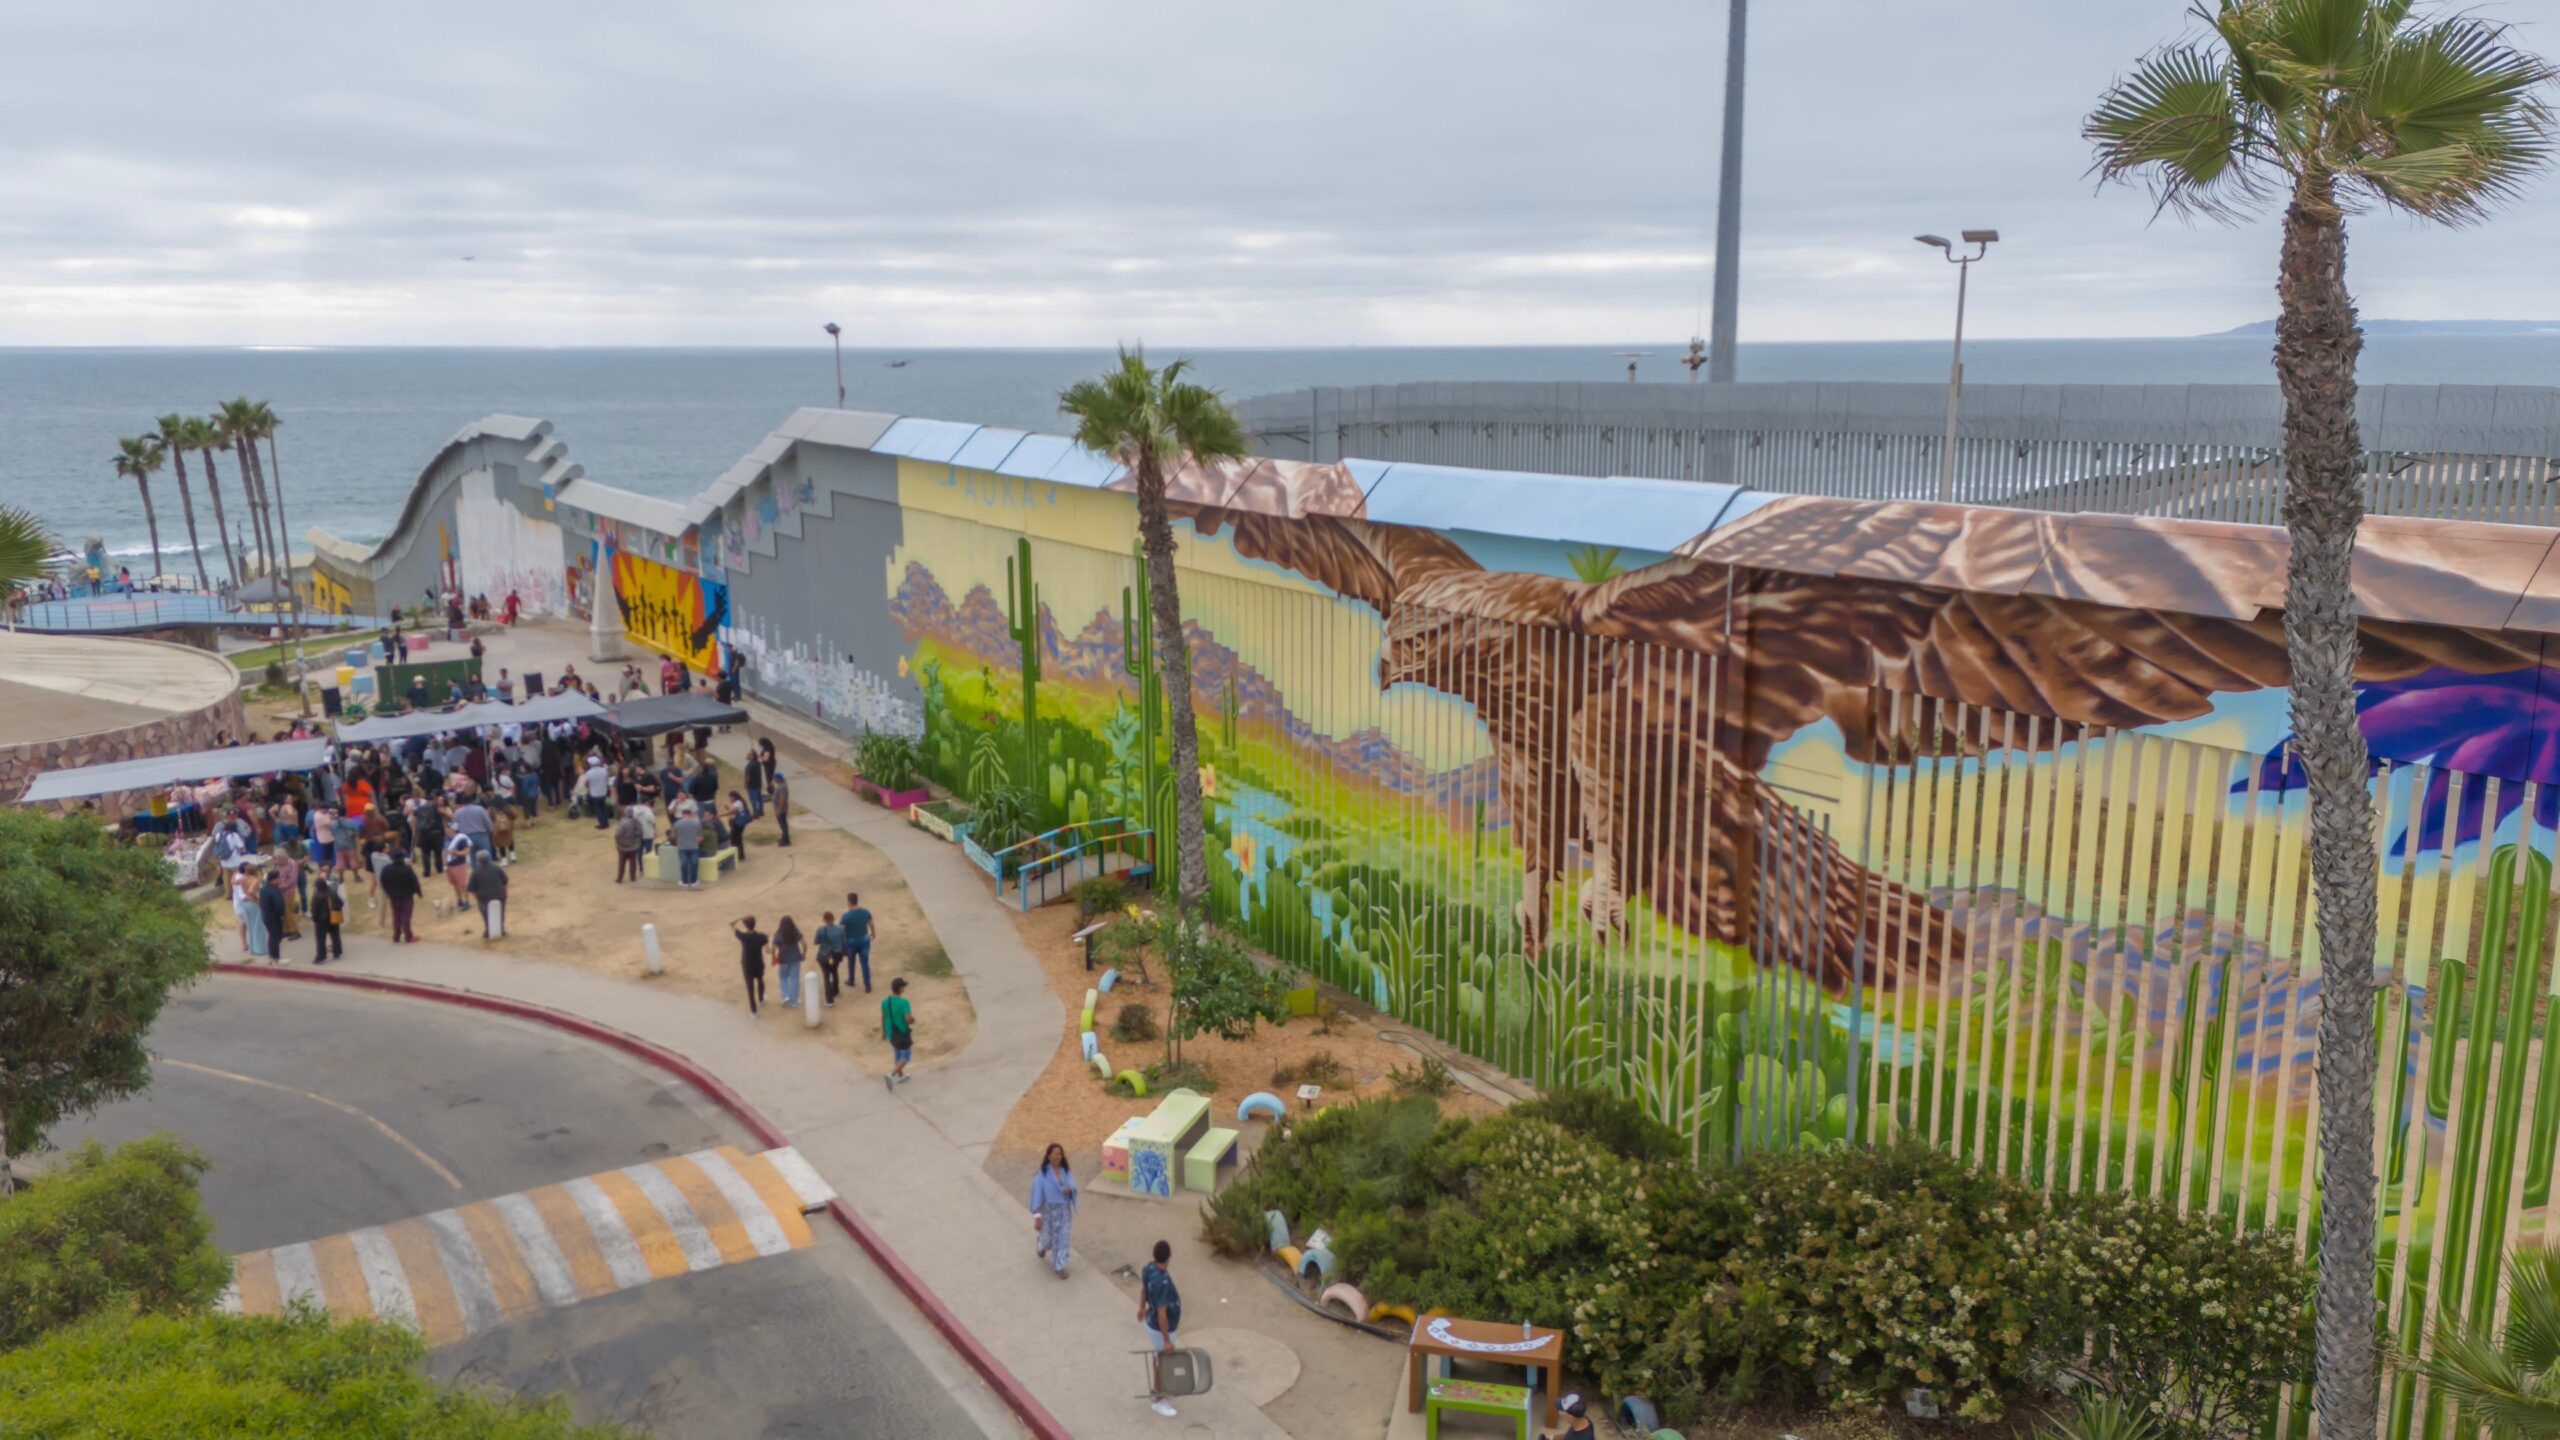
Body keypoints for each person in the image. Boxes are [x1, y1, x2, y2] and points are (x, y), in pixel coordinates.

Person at [1138, 1239, 1183, 1418]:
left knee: (1160, 1360)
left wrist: (1142, 1307)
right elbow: (1162, 1313)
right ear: (1169, 1256)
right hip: (1162, 1328)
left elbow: (1143, 1289)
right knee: (1163, 1361)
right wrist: (1166, 1340)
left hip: (1152, 1322)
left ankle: (1159, 1389)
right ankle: (1159, 1399)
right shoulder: (1163, 1281)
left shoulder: (1148, 1268)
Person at [1029, 1142, 1078, 1279]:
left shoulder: (1065, 1172)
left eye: (1060, 1154)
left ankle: (1059, 1265)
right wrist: (1038, 1218)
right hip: (1048, 1212)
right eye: (1055, 1154)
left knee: (1063, 1238)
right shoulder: (1042, 1176)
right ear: (1049, 1156)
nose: (1058, 1156)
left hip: (1063, 1211)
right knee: (1048, 1238)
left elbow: (1072, 1185)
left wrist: (1070, 1190)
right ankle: (1041, 1245)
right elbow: (1037, 1196)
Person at [380, 846, 422, 942]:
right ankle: (408, 935)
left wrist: (388, 892)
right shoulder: (407, 869)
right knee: (406, 916)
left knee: (396, 916)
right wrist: (418, 892)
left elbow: (383, 882)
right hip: (407, 896)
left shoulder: (386, 869)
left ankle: (396, 935)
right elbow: (414, 881)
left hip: (394, 897)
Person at [881, 976, 914, 1088]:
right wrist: (912, 1019)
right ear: (900, 989)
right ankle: (892, 1074)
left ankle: (900, 1075)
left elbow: (883, 1017)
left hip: (891, 1032)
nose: (904, 988)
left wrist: (883, 1032)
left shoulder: (885, 1001)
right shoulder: (904, 1003)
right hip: (902, 1033)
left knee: (897, 1053)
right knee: (906, 1056)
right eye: (903, 986)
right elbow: (907, 1018)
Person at [732, 916, 769, 1014]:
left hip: (747, 965)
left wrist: (740, 918)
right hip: (758, 963)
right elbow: (768, 949)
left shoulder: (743, 937)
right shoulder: (761, 936)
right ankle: (761, 999)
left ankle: (753, 1012)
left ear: (745, 926)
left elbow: (732, 925)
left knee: (750, 987)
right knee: (760, 980)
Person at [468, 852, 509, 939]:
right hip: (499, 896)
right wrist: (505, 893)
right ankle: (501, 929)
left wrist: (478, 898)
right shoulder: (497, 868)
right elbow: (505, 882)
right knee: (500, 912)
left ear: (478, 861)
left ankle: (488, 930)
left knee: (486, 914)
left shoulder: (475, 873)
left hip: (484, 899)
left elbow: (472, 890)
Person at [309, 868, 345, 963]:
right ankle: (337, 952)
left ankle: (321, 957)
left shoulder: (317, 896)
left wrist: (314, 919)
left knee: (321, 938)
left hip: (322, 920)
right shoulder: (332, 892)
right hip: (334, 916)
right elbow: (341, 903)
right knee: (335, 935)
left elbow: (314, 910)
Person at [843, 892, 875, 993]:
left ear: (849, 902)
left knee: (851, 962)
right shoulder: (865, 912)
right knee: (865, 963)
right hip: (864, 940)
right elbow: (871, 924)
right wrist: (873, 933)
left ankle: (851, 980)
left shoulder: (846, 916)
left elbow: (841, 930)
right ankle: (867, 985)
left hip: (851, 942)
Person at [773, 916, 805, 1009]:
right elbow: (804, 943)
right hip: (795, 958)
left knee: (783, 978)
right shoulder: (795, 932)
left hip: (783, 959)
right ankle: (794, 1002)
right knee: (794, 979)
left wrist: (774, 957)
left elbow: (773, 948)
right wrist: (804, 953)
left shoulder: (778, 934)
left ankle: (785, 996)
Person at [256, 867, 288, 963]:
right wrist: (282, 914)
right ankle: (276, 957)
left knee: (272, 936)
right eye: (279, 878)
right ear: (274, 880)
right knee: (276, 937)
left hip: (266, 916)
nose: (281, 880)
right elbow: (278, 905)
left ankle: (272, 955)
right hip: (274, 918)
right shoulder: (274, 891)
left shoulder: (264, 889)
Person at [813, 911, 844, 1007]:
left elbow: (816, 942)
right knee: (835, 971)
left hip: (825, 955)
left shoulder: (820, 930)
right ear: (833, 918)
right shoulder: (841, 929)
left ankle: (829, 1000)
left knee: (826, 976)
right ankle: (836, 990)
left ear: (824, 920)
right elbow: (844, 941)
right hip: (837, 954)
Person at [672, 805, 704, 888]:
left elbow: (673, 836)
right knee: (694, 863)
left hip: (682, 847)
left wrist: (677, 842)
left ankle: (684, 881)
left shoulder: (676, 824)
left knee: (683, 864)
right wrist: (695, 842)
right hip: (694, 846)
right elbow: (700, 837)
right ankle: (694, 881)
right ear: (690, 814)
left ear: (682, 815)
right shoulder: (696, 823)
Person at [442, 830, 474, 912]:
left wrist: (456, 853)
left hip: (459, 864)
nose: (446, 830)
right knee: (455, 884)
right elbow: (444, 851)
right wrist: (445, 864)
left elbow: (467, 851)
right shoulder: (446, 838)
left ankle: (467, 901)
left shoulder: (461, 838)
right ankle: (460, 900)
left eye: (448, 828)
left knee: (462, 884)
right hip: (450, 865)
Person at [614, 806, 647, 883]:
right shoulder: (636, 821)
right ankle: (633, 877)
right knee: (633, 862)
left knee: (622, 863)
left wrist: (618, 843)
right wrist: (635, 838)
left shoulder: (622, 823)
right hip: (633, 846)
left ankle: (620, 878)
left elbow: (617, 835)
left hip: (622, 846)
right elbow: (640, 833)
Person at [581, 755, 612, 826]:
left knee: (598, 809)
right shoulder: (604, 770)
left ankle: (602, 823)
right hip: (603, 792)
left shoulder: (589, 773)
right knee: (603, 807)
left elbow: (587, 784)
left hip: (594, 793)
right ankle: (606, 822)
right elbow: (607, 779)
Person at [723, 790, 752, 864]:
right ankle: (740, 855)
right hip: (736, 824)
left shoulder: (738, 803)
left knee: (734, 840)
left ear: (733, 797)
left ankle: (738, 856)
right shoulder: (738, 803)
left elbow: (732, 812)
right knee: (737, 839)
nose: (729, 799)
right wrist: (727, 808)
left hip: (736, 824)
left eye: (730, 797)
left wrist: (720, 815)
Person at [769, 767, 792, 847]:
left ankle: (786, 841)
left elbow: (782, 799)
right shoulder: (780, 785)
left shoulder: (782, 787)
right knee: (782, 824)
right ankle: (784, 837)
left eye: (775, 778)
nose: (774, 780)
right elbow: (771, 790)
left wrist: (779, 809)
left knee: (783, 825)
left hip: (781, 809)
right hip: (779, 808)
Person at [743, 748, 766, 819]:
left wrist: (746, 784)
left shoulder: (749, 766)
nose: (747, 755)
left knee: (753, 800)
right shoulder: (757, 763)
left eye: (749, 755)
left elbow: (748, 776)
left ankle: (755, 813)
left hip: (752, 786)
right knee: (759, 799)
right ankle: (761, 811)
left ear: (752, 756)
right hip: (758, 784)